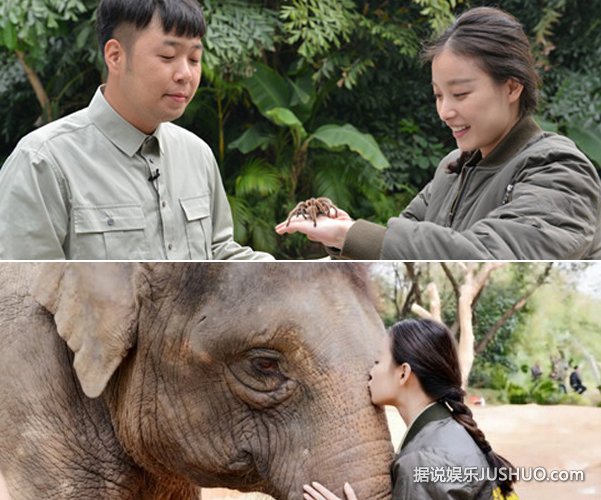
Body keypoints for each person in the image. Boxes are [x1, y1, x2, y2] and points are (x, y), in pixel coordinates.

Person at [276, 6, 601, 260]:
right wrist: (345, 232)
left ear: (513, 87)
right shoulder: (451, 168)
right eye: (438, 95)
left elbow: (492, 258)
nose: (445, 111)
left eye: (460, 94)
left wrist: (349, 234)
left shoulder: (559, 169)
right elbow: (398, 248)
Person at [0, 0, 272, 260]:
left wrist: (313, 269)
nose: (186, 74)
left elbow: (220, 255)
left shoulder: (197, 155)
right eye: (168, 56)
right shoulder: (42, 162)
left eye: (194, 58)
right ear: (115, 55)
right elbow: (25, 293)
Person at [303, 319, 517, 500]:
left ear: (403, 373)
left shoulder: (421, 461)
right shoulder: (449, 433)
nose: (370, 372)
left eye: (377, 361)